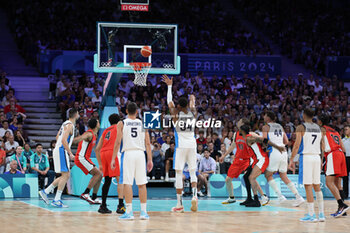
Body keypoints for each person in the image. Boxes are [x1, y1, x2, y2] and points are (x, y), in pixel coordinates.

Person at [111, 102, 153, 220]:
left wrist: (114, 157)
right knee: (142, 183)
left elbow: (118, 142)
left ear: (126, 111)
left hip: (128, 153)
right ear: (137, 111)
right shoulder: (142, 123)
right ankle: (144, 212)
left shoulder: (122, 123)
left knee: (127, 183)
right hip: (140, 154)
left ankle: (129, 212)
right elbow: (148, 143)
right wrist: (149, 159)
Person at [163, 75, 199, 213]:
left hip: (181, 146)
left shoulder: (175, 116)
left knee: (178, 173)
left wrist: (170, 86)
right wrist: (193, 100)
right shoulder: (193, 114)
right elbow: (193, 106)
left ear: (179, 106)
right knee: (193, 172)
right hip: (192, 144)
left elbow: (169, 101)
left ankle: (179, 204)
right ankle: (195, 196)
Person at [289, 108, 325, 222]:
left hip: (307, 157)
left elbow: (296, 145)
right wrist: (321, 160)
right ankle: (322, 215)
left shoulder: (301, 127)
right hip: (317, 157)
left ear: (303, 115)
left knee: (308, 186)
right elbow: (322, 146)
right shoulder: (319, 128)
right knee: (317, 186)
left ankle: (311, 215)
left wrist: (291, 159)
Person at [39, 108, 79, 208]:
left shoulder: (64, 124)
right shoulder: (70, 125)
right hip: (62, 150)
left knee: (65, 175)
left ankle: (46, 191)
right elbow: (64, 140)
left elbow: (58, 137)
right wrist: (70, 153)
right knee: (66, 175)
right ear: (76, 115)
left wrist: (59, 146)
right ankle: (56, 199)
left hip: (58, 149)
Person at [262, 111, 305, 206]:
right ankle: (298, 196)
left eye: (265, 115)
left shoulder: (265, 127)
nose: (264, 117)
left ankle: (280, 196)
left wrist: (264, 148)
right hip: (284, 152)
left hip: (274, 151)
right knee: (283, 175)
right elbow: (286, 141)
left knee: (268, 175)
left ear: (268, 118)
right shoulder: (280, 126)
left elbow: (265, 140)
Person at [318, 114, 349, 217]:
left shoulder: (322, 130)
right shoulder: (335, 131)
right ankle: (343, 211)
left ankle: (342, 205)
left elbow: (322, 147)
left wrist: (321, 160)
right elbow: (343, 147)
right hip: (341, 155)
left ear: (321, 122)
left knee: (329, 182)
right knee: (337, 184)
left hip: (333, 155)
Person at [95, 113, 124, 214]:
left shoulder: (105, 131)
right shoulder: (119, 127)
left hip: (103, 153)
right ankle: (121, 206)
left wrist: (100, 164)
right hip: (113, 152)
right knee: (119, 179)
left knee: (107, 181)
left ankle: (103, 206)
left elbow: (97, 148)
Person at [74, 118, 102, 204]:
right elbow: (80, 138)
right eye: (98, 122)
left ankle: (94, 197)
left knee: (100, 176)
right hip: (81, 158)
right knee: (98, 174)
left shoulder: (95, 135)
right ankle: (86, 193)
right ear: (95, 124)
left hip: (86, 158)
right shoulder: (89, 134)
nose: (99, 122)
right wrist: (73, 140)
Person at [342, 125, 350, 200]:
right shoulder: (343, 140)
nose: (345, 131)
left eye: (347, 129)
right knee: (345, 177)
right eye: (344, 129)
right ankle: (345, 194)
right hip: (345, 158)